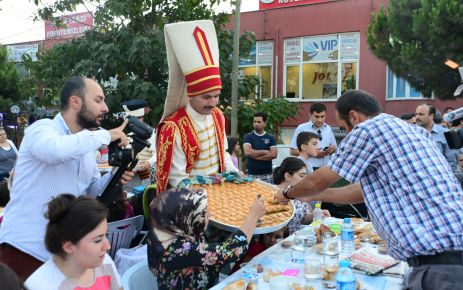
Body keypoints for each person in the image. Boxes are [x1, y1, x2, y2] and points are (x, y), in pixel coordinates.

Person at [275, 90, 463, 289]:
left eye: (343, 127)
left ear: (354, 117)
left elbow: (319, 180)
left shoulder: (367, 130)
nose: (347, 135)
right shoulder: (412, 130)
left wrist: (288, 193)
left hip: (441, 266)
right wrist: (313, 195)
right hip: (444, 259)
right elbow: (361, 192)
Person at [0, 76, 134, 280]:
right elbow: (54, 151)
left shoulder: (85, 145)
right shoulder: (43, 129)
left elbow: (89, 192)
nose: (105, 108)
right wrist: (106, 135)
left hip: (59, 254)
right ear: (75, 102)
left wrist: (115, 176)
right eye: (98, 100)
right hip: (23, 249)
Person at [156, 20, 238, 193]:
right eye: (206, 97)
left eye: (216, 96)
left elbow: (223, 154)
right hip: (189, 201)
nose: (213, 103)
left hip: (222, 193)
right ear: (191, 95)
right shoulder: (173, 128)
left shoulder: (218, 116)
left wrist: (234, 174)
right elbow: (177, 179)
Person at [147, 187, 266, 289]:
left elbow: (221, 245)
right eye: (203, 212)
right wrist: (252, 216)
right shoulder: (178, 250)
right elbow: (232, 250)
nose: (210, 214)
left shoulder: (180, 233)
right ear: (183, 218)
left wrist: (251, 222)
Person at [25, 194, 121, 290]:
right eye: (97, 240)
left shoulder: (104, 262)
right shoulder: (40, 286)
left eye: (106, 235)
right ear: (68, 246)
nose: (108, 246)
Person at [273, 157, 329, 234]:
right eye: (301, 176)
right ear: (288, 176)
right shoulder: (272, 194)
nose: (305, 180)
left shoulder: (297, 194)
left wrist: (316, 214)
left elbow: (303, 219)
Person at [289, 103, 337, 171]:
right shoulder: (301, 128)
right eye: (317, 116)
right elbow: (292, 151)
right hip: (308, 169)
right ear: (310, 115)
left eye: (322, 116)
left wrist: (330, 150)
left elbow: (334, 147)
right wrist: (315, 154)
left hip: (326, 168)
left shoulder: (328, 128)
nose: (320, 120)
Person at [415, 103, 460, 173]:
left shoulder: (447, 133)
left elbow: (452, 162)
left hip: (441, 176)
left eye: (421, 114)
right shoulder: (412, 133)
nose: (417, 117)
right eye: (416, 114)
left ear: (431, 116)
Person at [243, 112, 278, 183]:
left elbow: (274, 154)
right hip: (251, 175)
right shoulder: (248, 136)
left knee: (268, 194)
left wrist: (255, 156)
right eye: (254, 121)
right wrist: (264, 152)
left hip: (267, 175)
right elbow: (247, 152)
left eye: (259, 122)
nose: (256, 124)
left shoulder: (270, 137)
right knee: (250, 194)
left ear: (265, 123)